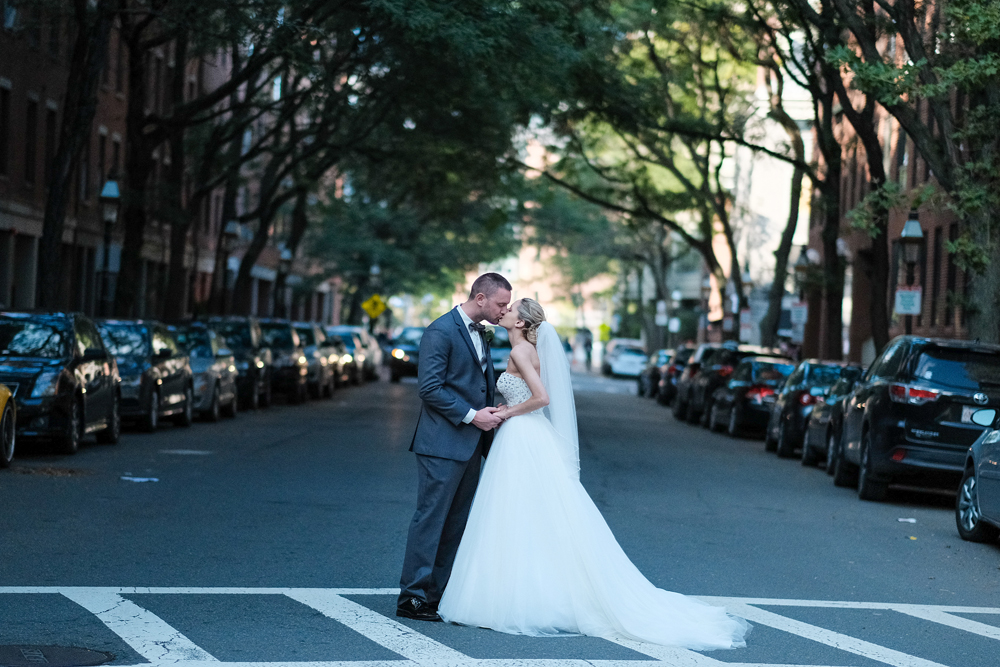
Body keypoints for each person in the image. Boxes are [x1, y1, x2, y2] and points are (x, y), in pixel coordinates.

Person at [437, 298, 750, 650]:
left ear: (522, 323)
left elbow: (542, 398)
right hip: (525, 437)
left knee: (516, 513)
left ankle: (515, 595)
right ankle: (525, 588)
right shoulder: (522, 349)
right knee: (529, 516)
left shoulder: (522, 352)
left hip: (523, 436)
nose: (503, 312)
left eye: (510, 310)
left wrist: (508, 413)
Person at [396, 273, 512, 622]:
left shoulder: (481, 332)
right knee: (431, 520)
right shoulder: (440, 331)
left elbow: (476, 384)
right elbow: (430, 388)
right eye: (500, 304)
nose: (504, 310)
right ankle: (412, 597)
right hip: (442, 442)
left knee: (456, 523)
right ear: (480, 298)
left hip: (472, 444)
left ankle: (436, 595)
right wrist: (472, 416)